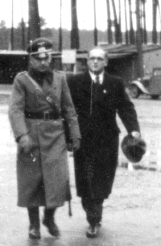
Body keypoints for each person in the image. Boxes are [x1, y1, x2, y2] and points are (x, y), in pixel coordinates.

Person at [8, 37, 81, 239]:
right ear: (30, 59)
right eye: (38, 58)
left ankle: (49, 217)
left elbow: (69, 108)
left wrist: (74, 134)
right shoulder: (21, 80)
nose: (42, 62)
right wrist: (21, 135)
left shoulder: (60, 78)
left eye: (46, 58)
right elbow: (15, 110)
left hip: (56, 134)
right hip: (31, 134)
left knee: (57, 179)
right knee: (31, 181)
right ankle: (34, 225)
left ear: (50, 58)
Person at [67, 47, 141, 238]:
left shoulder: (115, 83)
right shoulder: (75, 82)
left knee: (102, 180)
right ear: (87, 61)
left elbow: (126, 108)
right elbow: (67, 111)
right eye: (92, 58)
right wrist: (68, 137)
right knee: (86, 182)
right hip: (83, 141)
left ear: (106, 62)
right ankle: (93, 217)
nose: (95, 62)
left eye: (100, 59)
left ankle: (94, 216)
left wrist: (133, 130)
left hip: (107, 140)